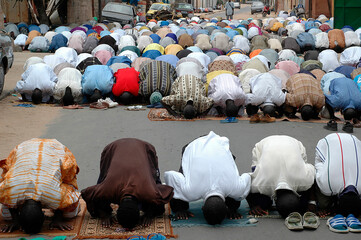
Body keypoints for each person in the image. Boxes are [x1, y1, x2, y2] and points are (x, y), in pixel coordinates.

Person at [81, 138, 174, 229]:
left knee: (100, 192)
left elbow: (86, 193)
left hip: (144, 148)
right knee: (101, 190)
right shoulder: (109, 189)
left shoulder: (147, 191)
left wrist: (150, 214)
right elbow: (86, 193)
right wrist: (103, 215)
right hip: (112, 148)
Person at [164, 131, 251, 225]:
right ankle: (180, 207)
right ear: (203, 207)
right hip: (195, 146)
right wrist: (179, 209)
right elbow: (170, 175)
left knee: (236, 194)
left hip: (219, 145)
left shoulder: (236, 189)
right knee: (235, 196)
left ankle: (180, 206)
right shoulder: (191, 190)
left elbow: (247, 177)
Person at [0, 138, 81, 234]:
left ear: (44, 215)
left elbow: (67, 194)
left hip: (55, 148)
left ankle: (27, 209)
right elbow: (6, 197)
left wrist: (58, 218)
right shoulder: (10, 192)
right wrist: (15, 220)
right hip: (24, 148)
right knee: (6, 214)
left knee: (69, 213)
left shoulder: (53, 195)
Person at [247, 135, 315, 219]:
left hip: (292, 143)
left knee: (263, 203)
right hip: (264, 145)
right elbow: (247, 180)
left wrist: (254, 205)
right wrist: (311, 202)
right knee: (263, 202)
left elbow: (312, 171)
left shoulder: (303, 181)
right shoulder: (262, 185)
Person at [313, 133, 361, 231]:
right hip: (328, 141)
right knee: (323, 204)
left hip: (355, 140)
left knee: (323, 202)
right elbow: (318, 168)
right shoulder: (328, 186)